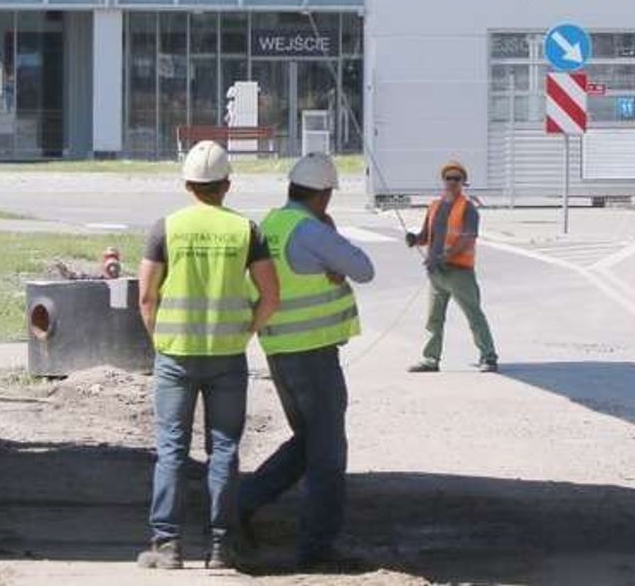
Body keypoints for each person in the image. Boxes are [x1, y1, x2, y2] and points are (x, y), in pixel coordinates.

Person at [136, 139, 279, 572]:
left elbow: (146, 296)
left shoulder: (167, 227)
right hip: (227, 355)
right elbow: (271, 296)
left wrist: (159, 340)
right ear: (227, 185)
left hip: (176, 355)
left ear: (187, 183)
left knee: (172, 450)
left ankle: (168, 545)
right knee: (223, 450)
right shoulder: (246, 231)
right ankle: (221, 547)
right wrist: (247, 330)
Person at [237, 152, 375, 573]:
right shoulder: (311, 230)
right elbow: (364, 269)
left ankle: (236, 506)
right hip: (313, 355)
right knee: (328, 454)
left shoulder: (272, 225)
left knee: (307, 444)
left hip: (280, 350)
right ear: (324, 196)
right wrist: (331, 248)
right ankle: (317, 546)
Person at [406, 158, 498, 373]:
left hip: (459, 272)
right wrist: (415, 239)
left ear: (463, 182)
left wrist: (444, 257)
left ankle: (489, 357)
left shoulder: (468, 208)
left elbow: (467, 239)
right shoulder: (435, 206)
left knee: (474, 315)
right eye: (449, 178)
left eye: (457, 179)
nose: (452, 182)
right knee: (434, 319)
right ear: (443, 181)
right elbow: (426, 236)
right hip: (436, 273)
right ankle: (430, 359)